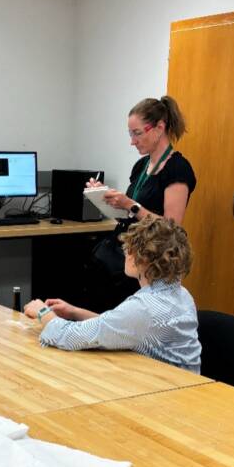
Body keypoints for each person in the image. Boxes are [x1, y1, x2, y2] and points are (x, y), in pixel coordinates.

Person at [24, 216, 201, 373]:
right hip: (178, 384)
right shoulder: (181, 294)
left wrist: (42, 313)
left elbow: (70, 337)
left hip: (165, 392)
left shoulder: (144, 307)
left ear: (143, 259)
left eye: (128, 248)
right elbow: (119, 327)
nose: (125, 252)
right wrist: (74, 312)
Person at [84, 96, 197, 311]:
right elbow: (128, 213)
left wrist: (130, 205)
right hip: (125, 252)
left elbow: (171, 228)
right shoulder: (141, 166)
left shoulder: (178, 169)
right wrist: (104, 196)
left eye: (137, 133)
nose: (132, 141)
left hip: (149, 263)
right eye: (130, 134)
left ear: (159, 128)